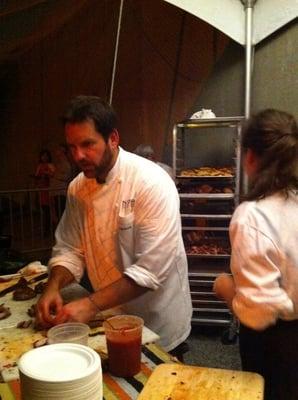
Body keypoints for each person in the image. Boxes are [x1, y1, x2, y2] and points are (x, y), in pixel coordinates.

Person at [37, 95, 192, 352]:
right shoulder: (78, 188)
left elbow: (150, 270)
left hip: (156, 319)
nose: (78, 156)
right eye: (71, 147)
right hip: (107, 314)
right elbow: (70, 249)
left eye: (88, 144)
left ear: (113, 138)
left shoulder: (150, 182)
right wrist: (52, 286)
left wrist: (90, 304)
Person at [213, 109, 298, 400]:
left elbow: (258, 314)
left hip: (277, 344)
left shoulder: (253, 216)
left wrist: (226, 288)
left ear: (249, 157)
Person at [50, 144, 73, 225]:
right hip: (56, 190)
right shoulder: (59, 163)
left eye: (59, 150)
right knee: (57, 210)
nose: (57, 152)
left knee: (61, 211)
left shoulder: (65, 163)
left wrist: (54, 175)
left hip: (60, 190)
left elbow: (66, 176)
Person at [34, 149, 55, 237]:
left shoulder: (50, 165)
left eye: (46, 156)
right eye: (43, 156)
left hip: (49, 189)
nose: (44, 157)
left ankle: (49, 229)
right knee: (44, 209)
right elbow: (36, 176)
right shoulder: (39, 166)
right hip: (41, 189)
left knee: (49, 210)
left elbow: (53, 175)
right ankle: (46, 228)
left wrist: (47, 173)